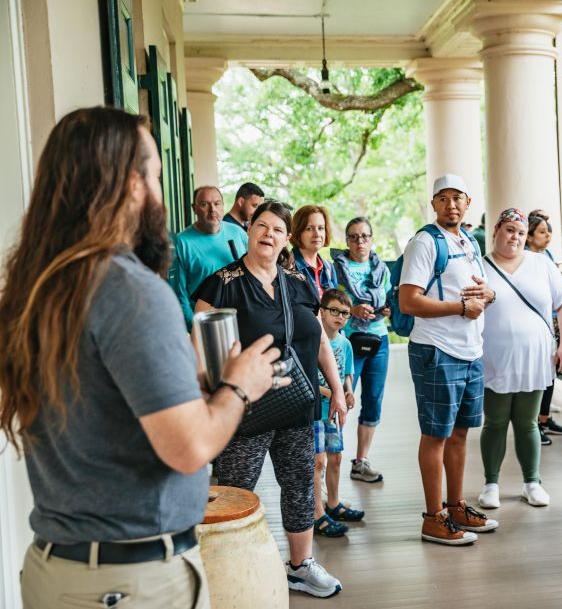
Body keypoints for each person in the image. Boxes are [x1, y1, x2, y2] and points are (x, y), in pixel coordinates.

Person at [0, 107, 282, 608]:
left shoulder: (38, 285)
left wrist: (187, 382)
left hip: (57, 569)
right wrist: (241, 384)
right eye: (153, 172)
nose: (160, 192)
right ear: (129, 184)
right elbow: (191, 447)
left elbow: (99, 407)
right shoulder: (130, 289)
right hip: (130, 582)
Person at [193, 201, 347, 598]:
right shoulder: (222, 283)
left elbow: (319, 343)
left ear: (286, 240)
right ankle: (225, 570)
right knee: (236, 488)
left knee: (299, 484)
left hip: (297, 402)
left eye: (277, 230)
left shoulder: (297, 282)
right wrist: (209, 401)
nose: (268, 234)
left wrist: (337, 391)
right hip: (244, 407)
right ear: (248, 229)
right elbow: (199, 350)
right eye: (261, 226)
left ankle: (300, 566)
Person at [399, 173, 499, 546]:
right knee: (436, 435)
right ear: (434, 204)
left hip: (470, 350)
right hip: (437, 350)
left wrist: (487, 295)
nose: (452, 204)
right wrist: (461, 306)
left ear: (468, 203)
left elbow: (481, 290)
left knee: (460, 433)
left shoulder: (469, 240)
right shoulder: (425, 242)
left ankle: (457, 506)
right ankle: (433, 517)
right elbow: (409, 301)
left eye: (459, 197)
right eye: (444, 198)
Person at [477, 209, 562, 509]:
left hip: (535, 357)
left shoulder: (540, 264)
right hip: (495, 356)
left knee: (528, 422)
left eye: (520, 232)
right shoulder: (480, 266)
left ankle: (532, 482)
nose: (515, 237)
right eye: (509, 230)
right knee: (494, 421)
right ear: (496, 230)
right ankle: (491, 483)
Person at [330, 217, 392, 484]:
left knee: (373, 400)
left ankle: (361, 461)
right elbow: (330, 302)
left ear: (372, 239)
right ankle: (334, 455)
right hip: (349, 340)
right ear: (347, 240)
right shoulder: (337, 268)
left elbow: (386, 299)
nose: (360, 242)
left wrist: (384, 310)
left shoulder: (381, 269)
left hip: (379, 338)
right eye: (354, 237)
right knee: (342, 398)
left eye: (365, 236)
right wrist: (351, 310)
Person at [313, 289, 364, 537]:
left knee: (336, 458)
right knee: (318, 461)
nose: (339, 316)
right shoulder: (313, 340)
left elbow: (346, 374)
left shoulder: (345, 343)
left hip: (335, 412)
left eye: (345, 313)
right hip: (315, 411)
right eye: (334, 310)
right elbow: (310, 380)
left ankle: (333, 503)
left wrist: (348, 391)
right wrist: (332, 394)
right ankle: (317, 511)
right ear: (321, 311)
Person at [169, 186, 248, 329]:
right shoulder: (181, 242)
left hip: (243, 320)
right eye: (205, 204)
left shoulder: (238, 233)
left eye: (217, 203)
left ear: (223, 206)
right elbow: (180, 296)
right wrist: (196, 329)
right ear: (194, 208)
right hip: (207, 324)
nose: (213, 210)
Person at [525, 209, 562, 444]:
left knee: (551, 373)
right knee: (535, 374)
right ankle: (532, 424)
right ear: (529, 236)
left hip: (552, 320)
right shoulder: (522, 259)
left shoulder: (548, 255)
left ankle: (544, 418)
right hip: (533, 324)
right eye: (542, 232)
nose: (548, 236)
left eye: (549, 231)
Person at [291, 205, 338, 298]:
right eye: (309, 228)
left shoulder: (329, 268)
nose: (317, 234)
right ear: (298, 233)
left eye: (321, 228)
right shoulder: (287, 266)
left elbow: (337, 304)